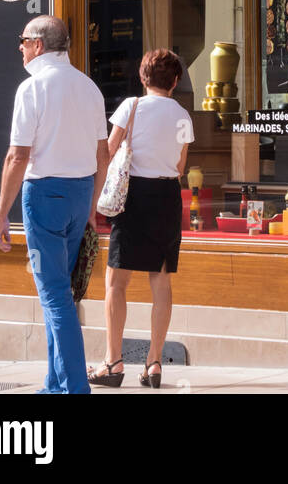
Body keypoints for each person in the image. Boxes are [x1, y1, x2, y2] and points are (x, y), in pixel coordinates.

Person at [0, 16, 109, 396]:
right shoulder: (89, 87)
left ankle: (75, 387)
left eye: (23, 41)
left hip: (43, 195)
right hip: (79, 193)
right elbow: (103, 154)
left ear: (39, 45)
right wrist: (92, 204)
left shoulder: (31, 88)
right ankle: (56, 383)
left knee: (54, 293)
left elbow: (17, 156)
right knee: (60, 291)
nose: (20, 47)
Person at [88, 48, 190, 389]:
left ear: (143, 77)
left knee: (117, 281)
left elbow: (109, 150)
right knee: (161, 282)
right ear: (175, 81)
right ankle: (155, 362)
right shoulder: (182, 116)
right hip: (167, 198)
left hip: (133, 197)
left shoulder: (130, 106)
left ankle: (113, 362)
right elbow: (179, 168)